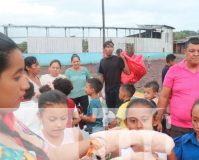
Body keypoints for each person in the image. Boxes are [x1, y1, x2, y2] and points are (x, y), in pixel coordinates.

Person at [0, 32, 176, 160]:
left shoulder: (8, 120)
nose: (26, 84)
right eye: (16, 76)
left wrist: (102, 140)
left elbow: (50, 154)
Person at [156, 37, 199, 138]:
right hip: (177, 126)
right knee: (177, 153)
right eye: (192, 51)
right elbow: (164, 96)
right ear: (185, 51)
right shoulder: (173, 70)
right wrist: (158, 118)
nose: (196, 54)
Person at [98, 41, 130, 113]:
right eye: (107, 47)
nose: (110, 49)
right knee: (111, 111)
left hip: (119, 91)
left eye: (111, 47)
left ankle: (119, 124)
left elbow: (127, 72)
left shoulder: (118, 59)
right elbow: (102, 76)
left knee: (119, 111)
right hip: (108, 91)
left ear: (113, 49)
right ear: (104, 49)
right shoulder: (102, 61)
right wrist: (99, 91)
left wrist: (124, 59)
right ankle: (113, 123)